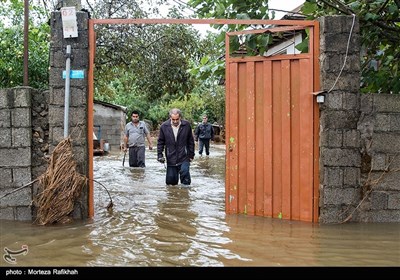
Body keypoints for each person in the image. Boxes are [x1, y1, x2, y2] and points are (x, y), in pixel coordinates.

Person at [157, 108, 195, 186]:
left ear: (180, 117)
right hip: (171, 157)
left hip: (184, 156)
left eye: (177, 119)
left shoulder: (186, 125)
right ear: (170, 117)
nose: (175, 121)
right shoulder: (164, 126)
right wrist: (160, 155)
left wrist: (191, 155)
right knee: (171, 184)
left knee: (185, 179)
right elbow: (160, 142)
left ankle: (185, 196)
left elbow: (191, 141)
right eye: (173, 119)